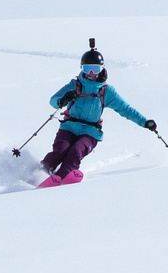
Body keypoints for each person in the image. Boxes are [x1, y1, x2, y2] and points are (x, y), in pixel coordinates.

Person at [38, 41, 156, 187]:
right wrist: (63, 100)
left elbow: (125, 109)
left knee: (76, 151)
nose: (91, 73)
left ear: (102, 69)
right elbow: (53, 100)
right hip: (69, 127)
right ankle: (39, 174)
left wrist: (145, 122)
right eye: (87, 69)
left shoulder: (106, 91)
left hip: (90, 132)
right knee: (59, 151)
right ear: (82, 68)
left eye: (95, 69)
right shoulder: (75, 85)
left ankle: (61, 178)